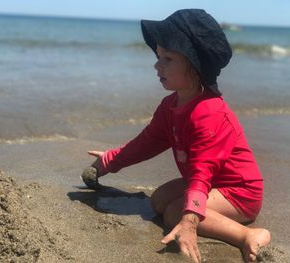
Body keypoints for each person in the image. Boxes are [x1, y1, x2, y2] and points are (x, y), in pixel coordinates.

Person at [88, 9, 271, 263]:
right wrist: (111, 160)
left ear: (195, 66)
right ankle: (200, 212)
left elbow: (202, 170)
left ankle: (246, 236)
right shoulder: (170, 105)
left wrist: (189, 221)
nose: (157, 64)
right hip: (210, 183)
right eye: (158, 56)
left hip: (239, 192)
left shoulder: (210, 113)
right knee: (159, 201)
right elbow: (147, 142)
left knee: (174, 212)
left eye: (168, 58)